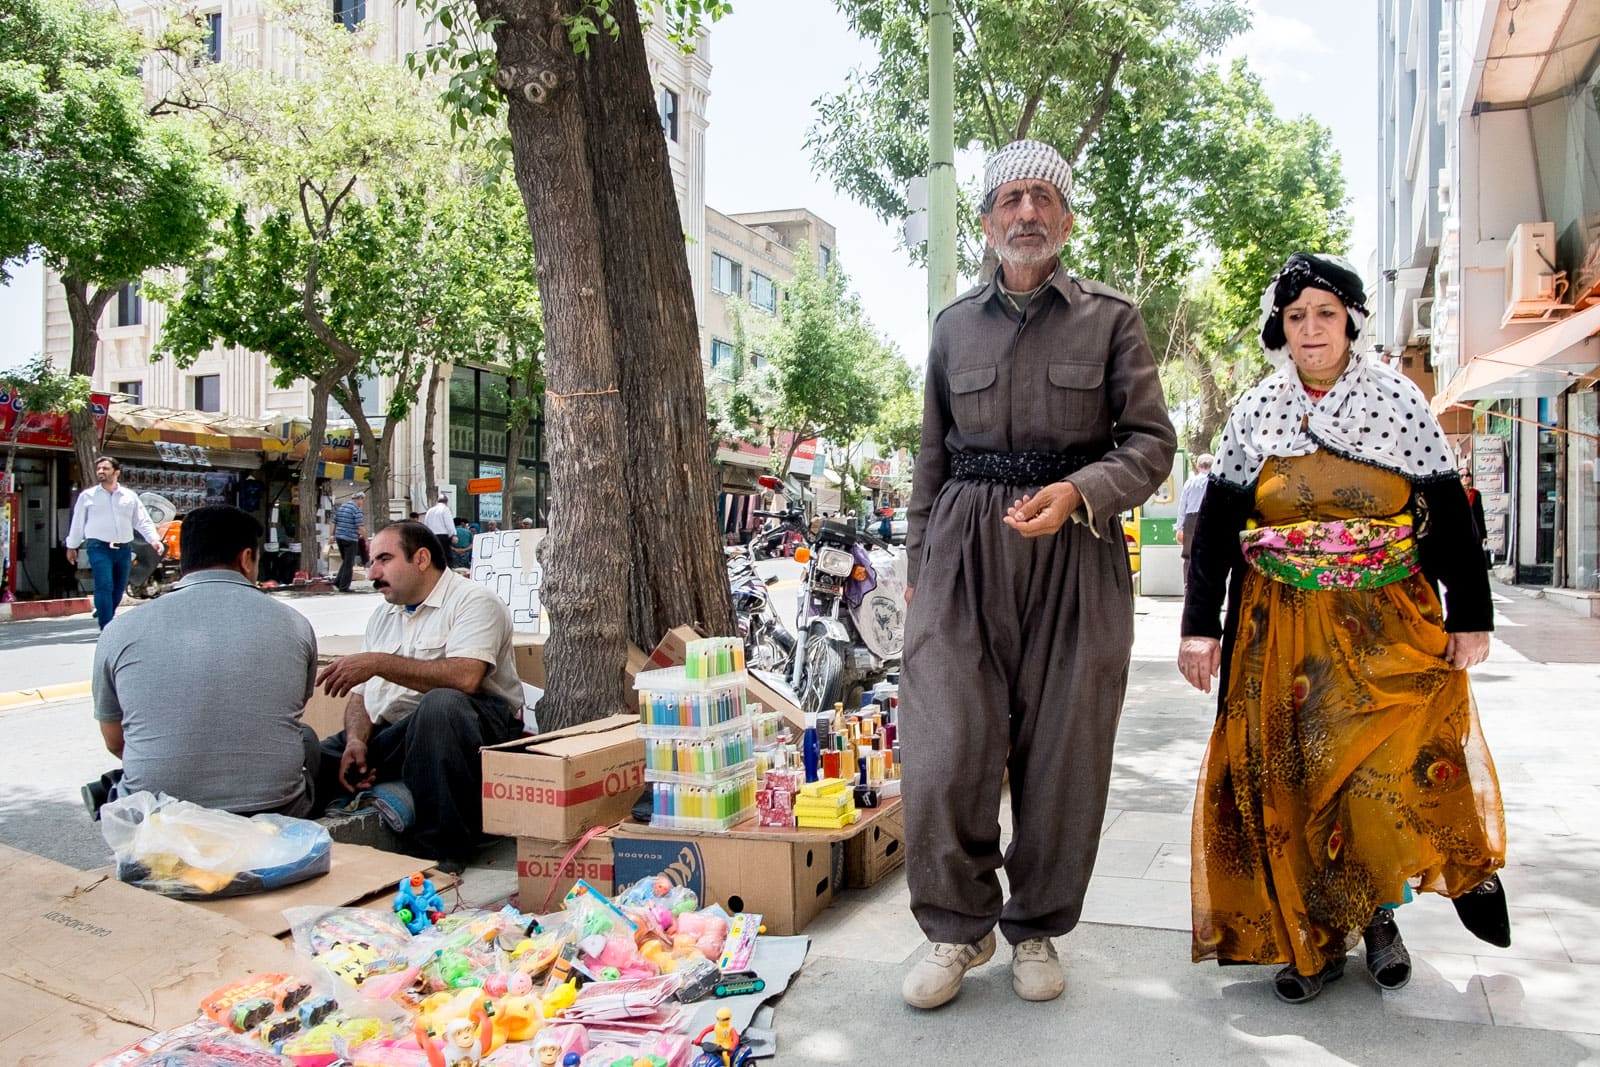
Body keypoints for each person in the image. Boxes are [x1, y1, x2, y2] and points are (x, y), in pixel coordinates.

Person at [1177, 251, 1508, 1006]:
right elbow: (1221, 525)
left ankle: (1380, 917)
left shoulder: (1398, 402)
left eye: (1325, 314)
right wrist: (1200, 627)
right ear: (1280, 329)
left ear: (1351, 322)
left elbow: (1449, 516)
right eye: (1296, 317)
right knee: (1292, 783)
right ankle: (1309, 941)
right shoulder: (1258, 411)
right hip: (1280, 630)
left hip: (1385, 628)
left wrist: (1472, 614)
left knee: (1375, 776)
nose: (1311, 329)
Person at [898, 139, 1177, 1009]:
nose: (1025, 212)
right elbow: (931, 457)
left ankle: (1039, 928)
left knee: (1064, 751)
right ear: (986, 221)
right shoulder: (952, 326)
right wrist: (919, 565)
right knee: (944, 749)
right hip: (964, 557)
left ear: (1066, 218)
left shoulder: (1112, 319)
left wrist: (1080, 491)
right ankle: (955, 927)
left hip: (1077, 552)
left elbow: (1152, 443)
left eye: (1042, 198)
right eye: (1010, 198)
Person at [314, 520, 525, 873]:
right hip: (399, 733)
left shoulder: (473, 601)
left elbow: (466, 678)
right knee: (312, 755)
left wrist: (379, 663)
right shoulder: (384, 615)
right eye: (370, 561)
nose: (372, 572)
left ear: (422, 558)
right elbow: (362, 696)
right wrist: (356, 741)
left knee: (441, 706)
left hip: (472, 730)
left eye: (384, 559)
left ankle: (442, 850)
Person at [85, 505, 319, 818]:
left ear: (185, 559)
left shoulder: (119, 630)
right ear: (246, 558)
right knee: (309, 739)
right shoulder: (295, 624)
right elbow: (290, 709)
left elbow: (116, 741)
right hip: (275, 811)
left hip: (158, 819)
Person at [64, 456, 166, 628]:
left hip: (123, 549)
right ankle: (106, 626)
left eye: (105, 468)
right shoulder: (87, 496)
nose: (101, 472)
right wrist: (71, 546)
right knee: (104, 585)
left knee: (119, 588)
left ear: (117, 472)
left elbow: (141, 520)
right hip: (98, 547)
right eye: (99, 469)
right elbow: (78, 522)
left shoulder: (129, 496)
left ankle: (106, 611)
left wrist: (154, 540)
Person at [1176, 453, 1214, 583]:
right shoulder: (1215, 482)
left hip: (1191, 520)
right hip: (1210, 519)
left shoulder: (1190, 482)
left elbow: (1182, 506)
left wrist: (1179, 527)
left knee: (1189, 556)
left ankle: (1188, 586)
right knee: (1209, 556)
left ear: (1198, 467)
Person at [333, 493, 367, 592]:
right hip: (350, 539)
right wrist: (365, 539)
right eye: (362, 500)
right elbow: (360, 527)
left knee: (346, 561)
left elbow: (334, 521)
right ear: (359, 499)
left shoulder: (342, 507)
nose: (362, 503)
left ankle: (338, 581)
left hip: (339, 537)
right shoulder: (356, 510)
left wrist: (332, 535)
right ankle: (344, 587)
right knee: (349, 563)